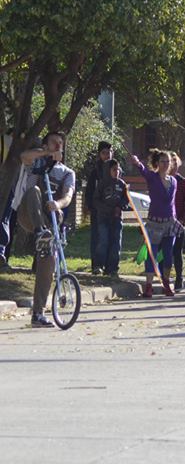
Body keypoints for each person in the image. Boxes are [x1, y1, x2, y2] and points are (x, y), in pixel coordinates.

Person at [15, 133, 75, 327]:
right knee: (35, 191)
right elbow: (24, 156)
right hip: (28, 213)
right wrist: (46, 154)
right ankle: (41, 232)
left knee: (47, 267)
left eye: (60, 143)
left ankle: (38, 314)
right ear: (45, 145)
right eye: (54, 142)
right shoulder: (35, 162)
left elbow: (68, 196)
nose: (58, 145)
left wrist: (57, 204)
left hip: (50, 222)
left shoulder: (67, 172)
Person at [130, 149, 179, 298]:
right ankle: (149, 285)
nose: (165, 164)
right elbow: (143, 170)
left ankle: (166, 283)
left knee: (168, 255)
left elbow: (171, 203)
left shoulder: (174, 181)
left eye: (168, 161)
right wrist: (137, 162)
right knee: (151, 254)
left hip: (170, 223)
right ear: (157, 163)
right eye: (163, 161)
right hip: (154, 223)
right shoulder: (152, 177)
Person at [92, 159, 129, 277]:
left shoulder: (122, 184)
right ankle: (98, 266)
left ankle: (113, 268)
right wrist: (107, 209)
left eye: (118, 169)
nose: (116, 172)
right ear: (108, 170)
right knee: (103, 241)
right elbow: (96, 200)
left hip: (117, 219)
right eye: (114, 169)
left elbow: (126, 200)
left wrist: (120, 206)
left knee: (116, 243)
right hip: (103, 218)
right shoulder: (102, 184)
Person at [84, 140, 113, 273]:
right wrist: (90, 206)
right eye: (104, 153)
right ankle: (97, 265)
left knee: (111, 237)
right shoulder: (95, 172)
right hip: (97, 210)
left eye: (109, 153)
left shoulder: (116, 170)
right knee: (97, 237)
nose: (107, 155)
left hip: (112, 211)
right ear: (99, 154)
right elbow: (89, 191)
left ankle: (110, 266)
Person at [169, 152, 185, 291]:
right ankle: (163, 277)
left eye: (174, 162)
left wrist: (182, 219)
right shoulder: (161, 180)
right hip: (162, 221)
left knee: (177, 251)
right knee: (163, 251)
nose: (171, 166)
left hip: (178, 222)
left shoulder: (183, 182)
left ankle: (179, 277)